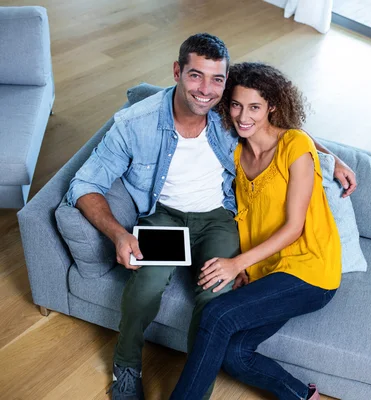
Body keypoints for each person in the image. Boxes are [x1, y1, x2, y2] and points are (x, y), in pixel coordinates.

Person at [66, 34, 356, 400]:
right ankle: (127, 366)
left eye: (217, 80)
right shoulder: (141, 124)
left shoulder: (231, 118)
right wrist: (118, 235)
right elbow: (84, 184)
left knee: (215, 302)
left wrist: (332, 158)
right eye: (195, 76)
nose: (206, 90)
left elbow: (283, 132)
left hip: (224, 222)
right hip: (165, 217)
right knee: (150, 284)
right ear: (177, 71)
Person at [170, 62, 342, 400]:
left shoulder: (294, 145)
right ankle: (304, 397)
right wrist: (248, 267)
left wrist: (236, 264)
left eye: (254, 107)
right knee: (234, 354)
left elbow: (294, 227)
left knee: (217, 314)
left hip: (311, 272)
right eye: (235, 105)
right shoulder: (235, 152)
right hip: (269, 271)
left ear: (272, 107)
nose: (242, 116)